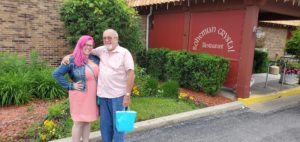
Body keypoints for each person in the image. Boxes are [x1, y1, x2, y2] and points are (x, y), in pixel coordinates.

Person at [62, 29, 135, 142]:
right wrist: (69, 56)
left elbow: (131, 74)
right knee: (105, 127)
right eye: (104, 38)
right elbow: (84, 50)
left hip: (118, 96)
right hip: (103, 96)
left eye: (109, 38)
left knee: (119, 127)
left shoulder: (124, 53)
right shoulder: (102, 50)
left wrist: (127, 94)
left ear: (116, 38)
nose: (106, 40)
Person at [52, 35, 100, 142]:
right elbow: (56, 74)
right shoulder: (72, 60)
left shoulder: (94, 58)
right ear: (80, 45)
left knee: (87, 121)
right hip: (79, 94)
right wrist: (70, 86)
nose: (88, 47)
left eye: (90, 45)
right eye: (86, 45)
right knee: (78, 122)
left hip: (92, 94)